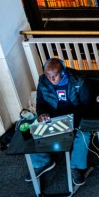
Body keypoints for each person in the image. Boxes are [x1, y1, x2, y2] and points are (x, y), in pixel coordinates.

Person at [31, 58, 91, 186]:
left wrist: (72, 119)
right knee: (33, 130)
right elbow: (40, 104)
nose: (52, 79)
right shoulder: (43, 82)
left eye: (55, 76)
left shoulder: (78, 80)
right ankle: (42, 163)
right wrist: (42, 114)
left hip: (75, 116)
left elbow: (86, 105)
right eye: (48, 76)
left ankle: (77, 167)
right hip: (54, 117)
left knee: (84, 135)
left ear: (63, 72)